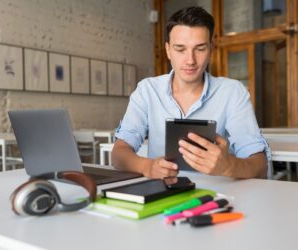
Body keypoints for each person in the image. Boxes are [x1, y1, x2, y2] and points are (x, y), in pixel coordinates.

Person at [112, 6, 270, 179]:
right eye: (180, 49)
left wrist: (229, 166)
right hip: (162, 195)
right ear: (168, 50)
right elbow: (118, 153)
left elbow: (260, 165)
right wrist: (147, 166)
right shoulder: (147, 90)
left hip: (219, 197)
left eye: (200, 49)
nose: (190, 60)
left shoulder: (233, 93)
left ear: (211, 48)